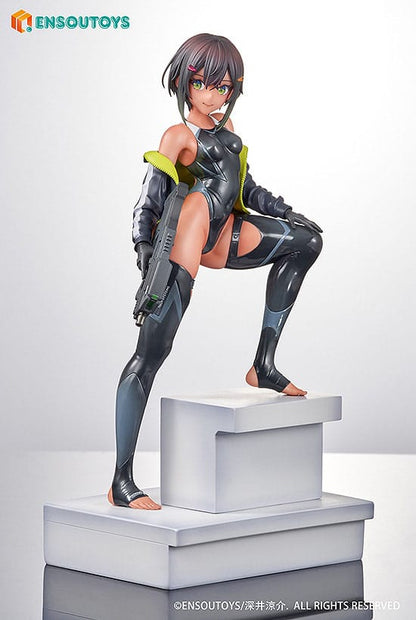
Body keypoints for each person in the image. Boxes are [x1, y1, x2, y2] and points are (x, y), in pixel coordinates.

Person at [108, 33, 323, 510]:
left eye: (223, 86)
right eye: (203, 84)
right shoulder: (179, 135)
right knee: (150, 355)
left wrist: (288, 212)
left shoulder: (229, 134)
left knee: (306, 243)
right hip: (188, 233)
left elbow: (247, 189)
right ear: (185, 84)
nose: (213, 95)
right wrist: (144, 247)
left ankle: (262, 365)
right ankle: (121, 480)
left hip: (225, 232)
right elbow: (149, 197)